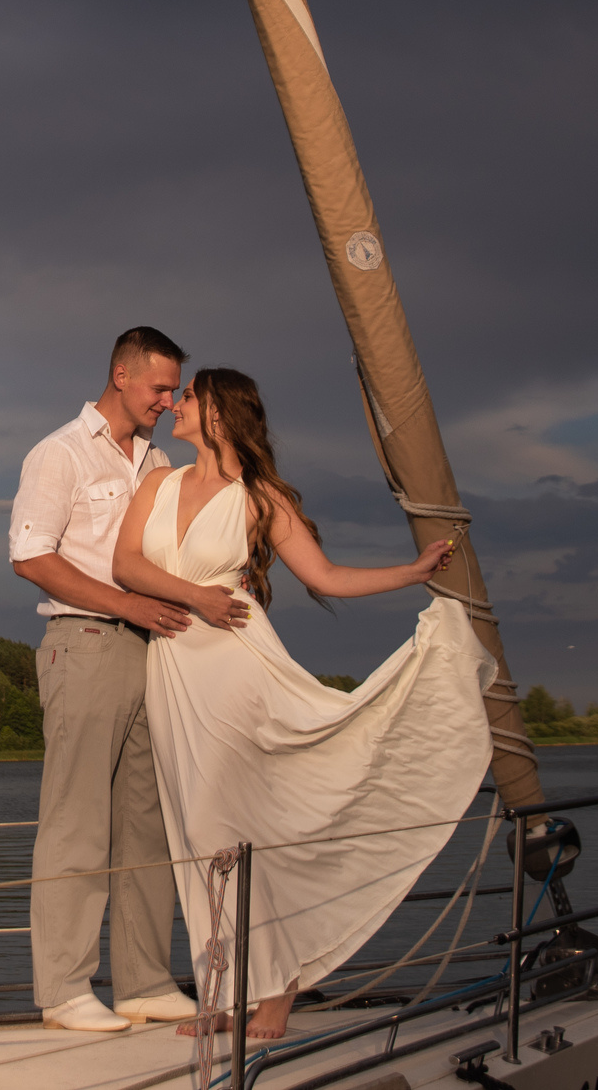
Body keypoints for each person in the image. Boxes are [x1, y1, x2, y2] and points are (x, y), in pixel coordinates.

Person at [111, 366, 493, 1040]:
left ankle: (277, 987)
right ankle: (227, 990)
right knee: (198, 833)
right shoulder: (158, 482)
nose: (175, 404)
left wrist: (409, 572)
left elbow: (325, 575)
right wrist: (194, 594)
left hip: (237, 667)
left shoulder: (261, 497)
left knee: (239, 826)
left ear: (220, 413)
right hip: (174, 668)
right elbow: (125, 566)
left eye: (189, 396)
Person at [8, 326, 224, 1032]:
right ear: (121, 374)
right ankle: (65, 989)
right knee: (76, 820)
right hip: (87, 643)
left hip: (153, 652)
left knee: (147, 820)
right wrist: (128, 602)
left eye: (173, 390)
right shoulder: (59, 452)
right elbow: (30, 556)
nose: (168, 400)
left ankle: (144, 979)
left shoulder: (158, 459)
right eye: (160, 387)